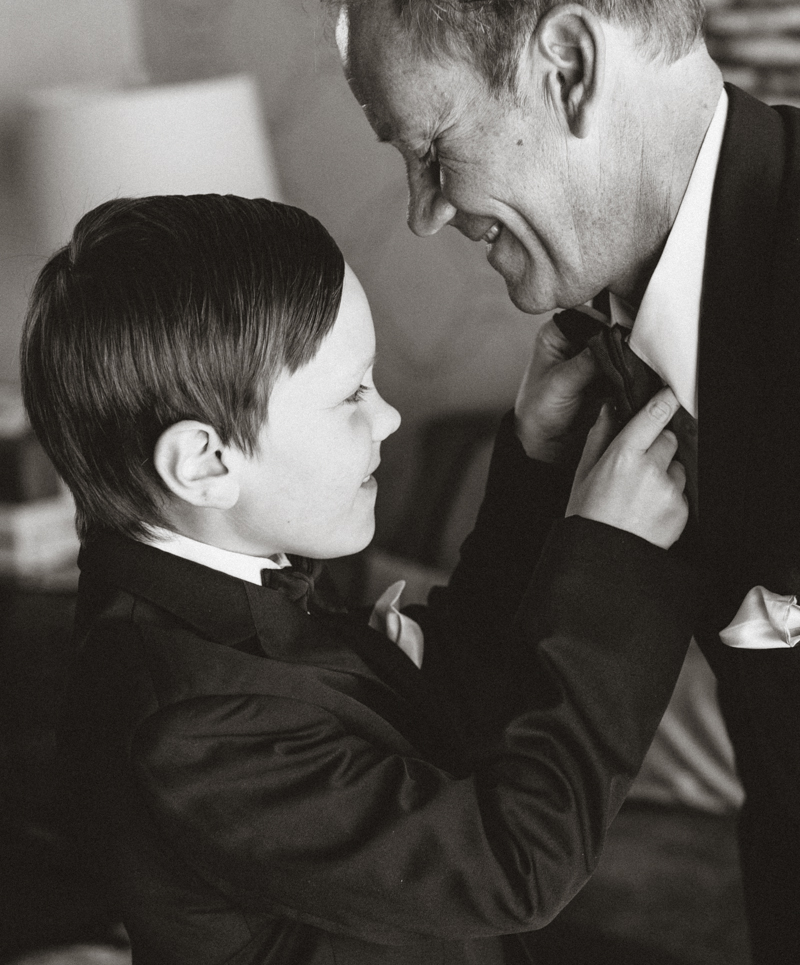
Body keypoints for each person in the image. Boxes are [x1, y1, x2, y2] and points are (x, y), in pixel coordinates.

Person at [304, 0, 800, 964]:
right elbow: (501, 702)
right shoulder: (609, 338)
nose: (425, 214)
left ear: (566, 67)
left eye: (429, 148)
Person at [20, 194, 693, 965]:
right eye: (352, 395)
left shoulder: (231, 574)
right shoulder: (186, 726)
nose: (389, 419)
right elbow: (516, 863)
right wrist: (613, 563)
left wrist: (537, 458)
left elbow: (455, 699)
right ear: (205, 462)